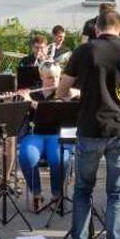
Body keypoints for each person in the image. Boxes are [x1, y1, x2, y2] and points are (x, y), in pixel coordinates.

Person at [57, 8, 120, 239]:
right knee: (117, 194)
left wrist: (81, 93)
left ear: (96, 29)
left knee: (83, 190)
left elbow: (63, 90)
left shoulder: (83, 51)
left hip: (89, 128)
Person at [18, 61, 78, 211]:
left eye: (58, 77)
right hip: (35, 135)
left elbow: (49, 109)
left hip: (57, 135)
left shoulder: (63, 92)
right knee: (26, 155)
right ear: (41, 76)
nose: (55, 81)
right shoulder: (32, 92)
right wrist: (16, 100)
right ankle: (36, 193)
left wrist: (78, 92)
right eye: (50, 77)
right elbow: (18, 115)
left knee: (58, 158)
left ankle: (57, 195)